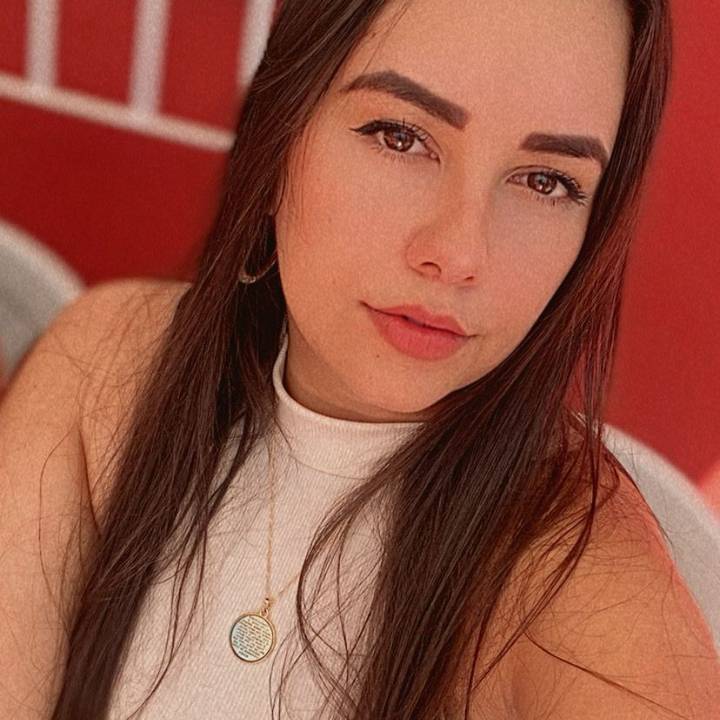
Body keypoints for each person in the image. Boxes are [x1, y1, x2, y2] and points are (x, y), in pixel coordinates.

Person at [0, 0, 717, 718]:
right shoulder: (111, 362)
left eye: (546, 181)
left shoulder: (576, 576)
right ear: (281, 135)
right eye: (400, 136)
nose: (459, 254)